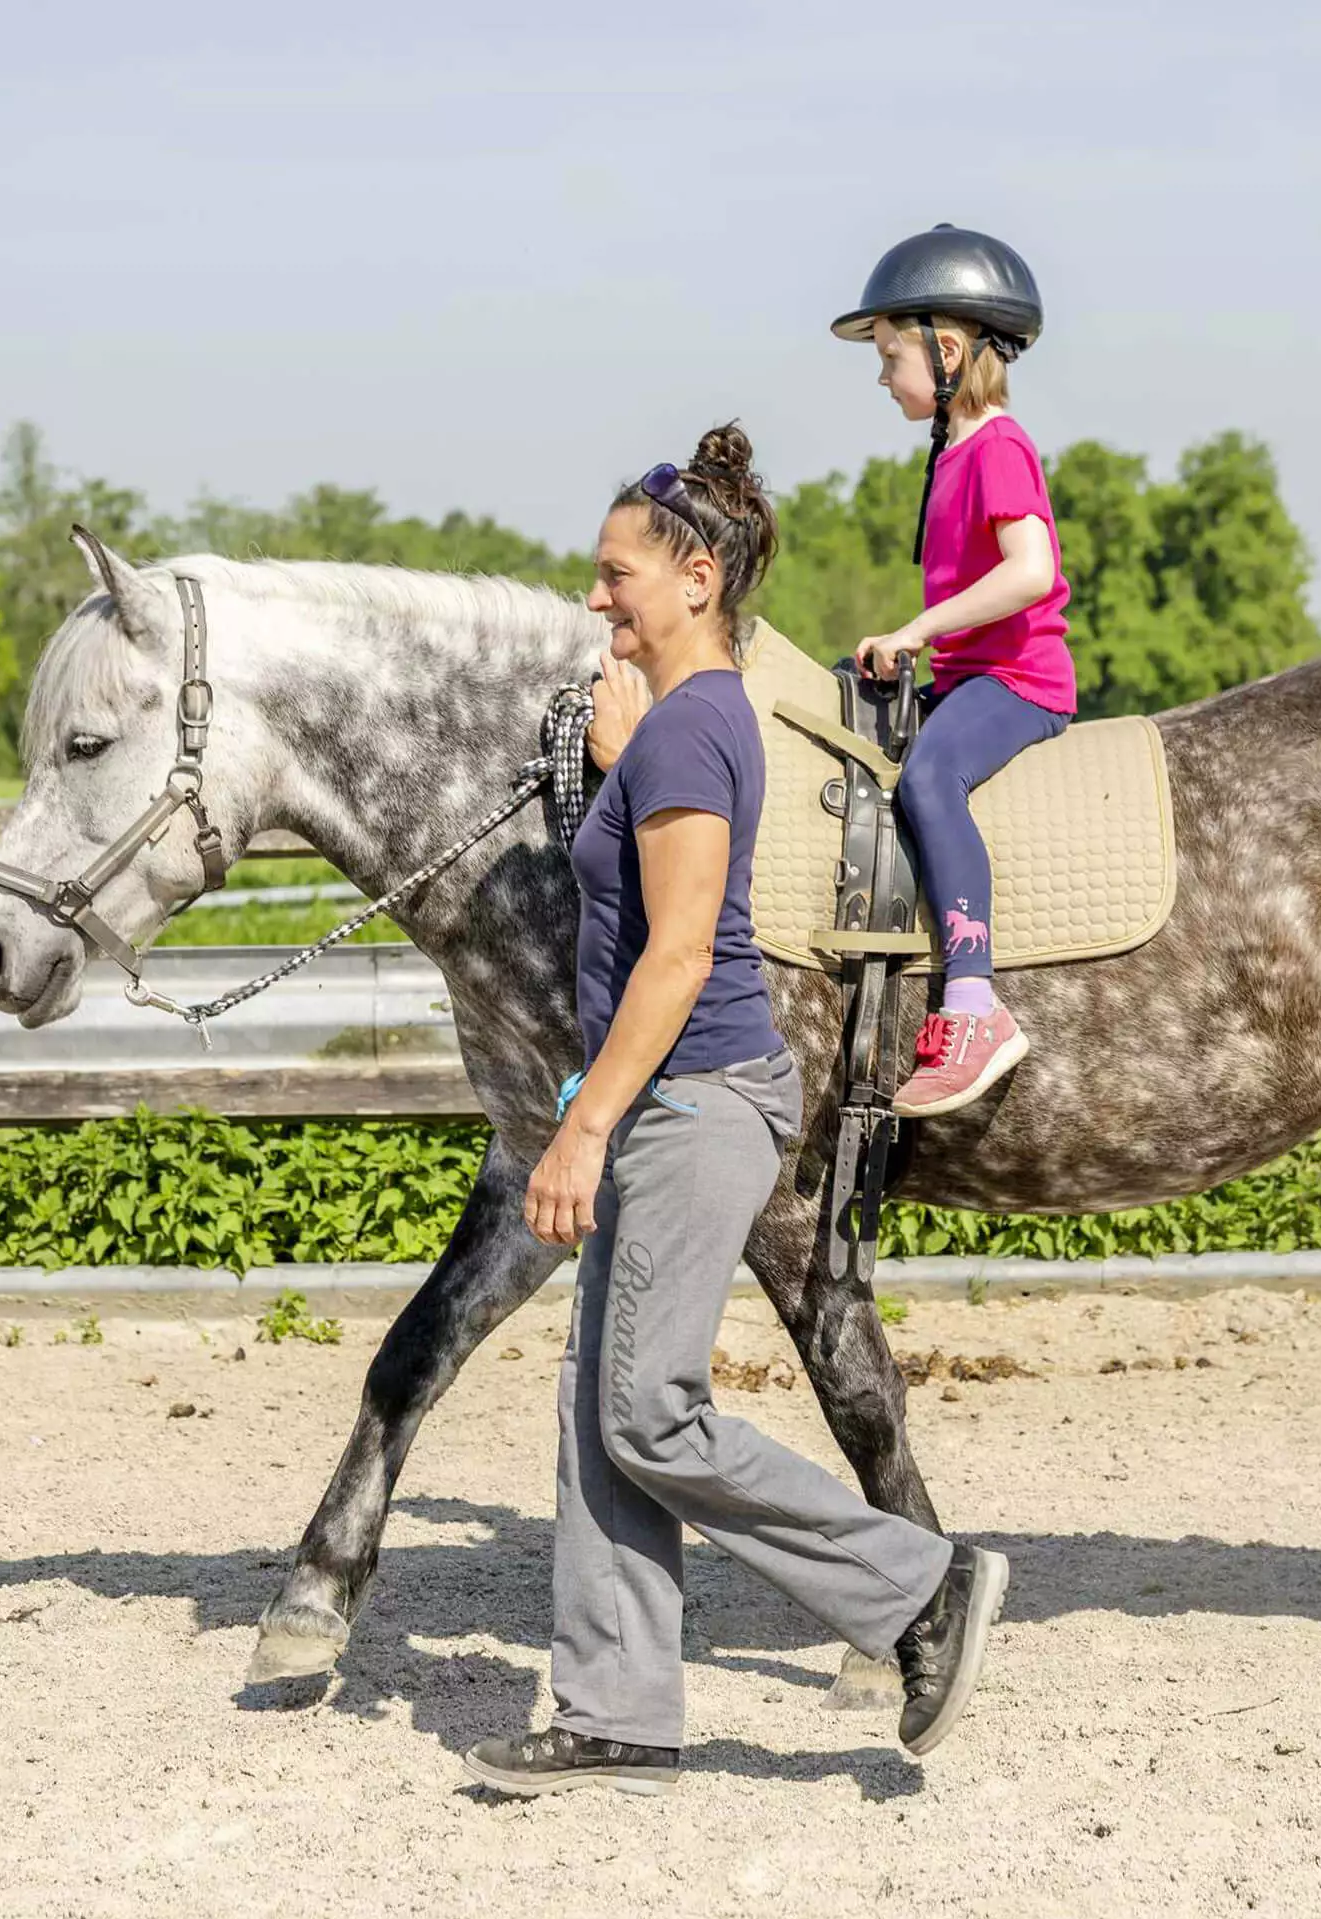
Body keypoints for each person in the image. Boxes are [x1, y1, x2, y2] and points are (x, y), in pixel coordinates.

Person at [461, 423, 1008, 1799]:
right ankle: (615, 1714)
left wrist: (582, 1125)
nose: (596, 597)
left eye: (616, 573)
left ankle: (920, 1589)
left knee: (649, 1410)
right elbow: (630, 916)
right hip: (657, 1093)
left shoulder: (700, 729)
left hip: (699, 1100)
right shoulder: (674, 726)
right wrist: (613, 766)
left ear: (697, 576)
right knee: (602, 1418)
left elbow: (685, 950)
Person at [832, 223, 1077, 1118]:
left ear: (946, 349)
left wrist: (917, 629)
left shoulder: (998, 448)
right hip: (969, 676)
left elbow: (1032, 572)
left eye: (891, 353)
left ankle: (975, 1004)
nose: (883, 373)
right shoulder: (954, 454)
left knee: (930, 777)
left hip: (1019, 683)